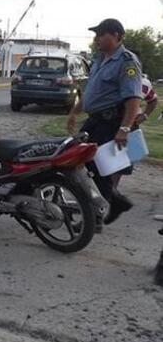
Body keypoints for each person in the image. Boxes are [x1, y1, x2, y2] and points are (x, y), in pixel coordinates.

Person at [67, 18, 143, 224]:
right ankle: (108, 203)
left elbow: (133, 98)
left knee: (100, 168)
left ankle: (99, 211)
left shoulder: (127, 62)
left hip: (111, 123)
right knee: (77, 161)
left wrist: (125, 128)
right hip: (95, 121)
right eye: (96, 34)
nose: (97, 38)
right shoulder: (99, 59)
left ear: (116, 35)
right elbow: (91, 91)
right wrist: (75, 112)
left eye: (101, 34)